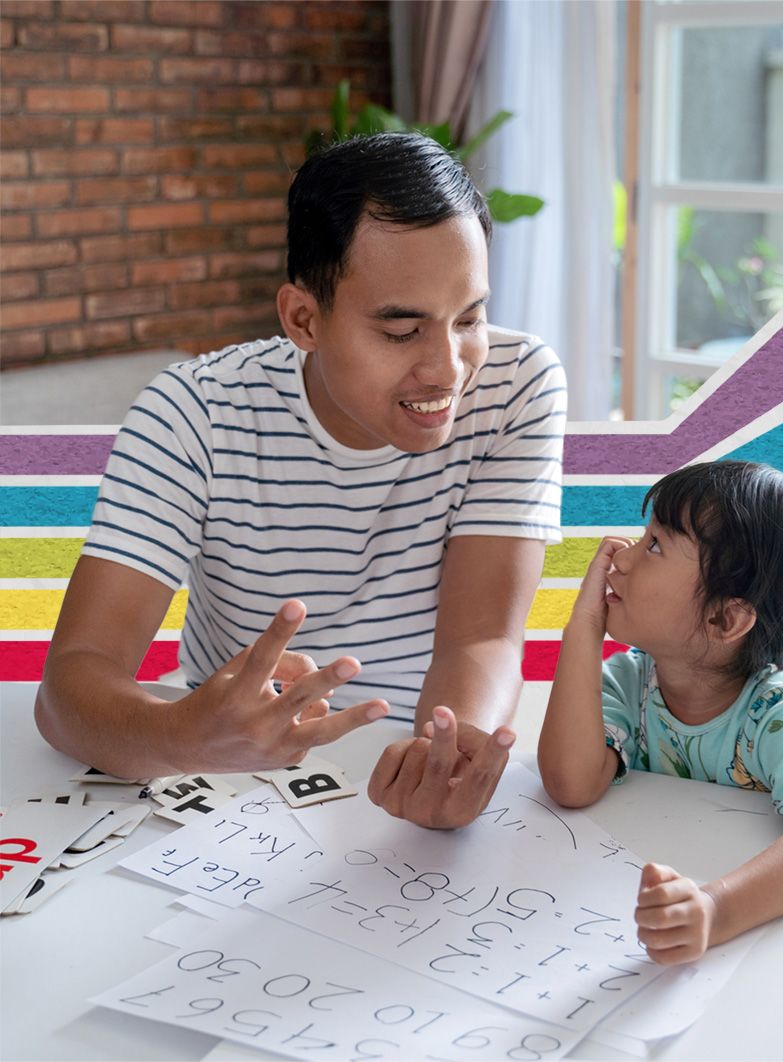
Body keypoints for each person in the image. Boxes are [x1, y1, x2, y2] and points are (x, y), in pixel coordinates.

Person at [36, 132, 567, 830]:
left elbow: (481, 639)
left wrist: (445, 754)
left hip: (402, 762)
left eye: (468, 317)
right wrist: (183, 736)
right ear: (303, 318)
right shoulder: (193, 412)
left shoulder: (518, 383)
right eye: (402, 332)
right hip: (232, 777)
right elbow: (70, 685)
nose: (448, 368)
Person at [538, 460, 783, 964]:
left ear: (724, 617)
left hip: (757, 951)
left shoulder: (776, 716)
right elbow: (572, 784)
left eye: (655, 545)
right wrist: (581, 630)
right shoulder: (631, 680)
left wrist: (714, 909)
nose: (620, 558)